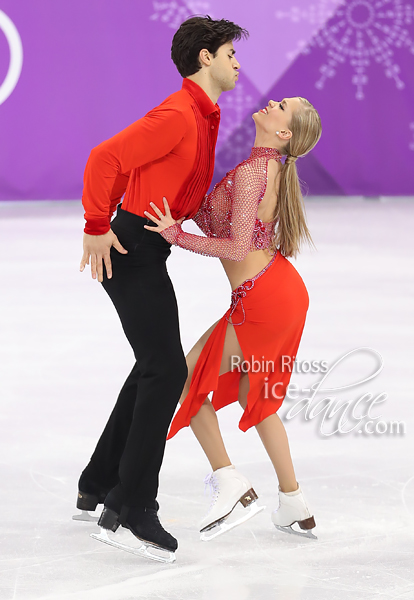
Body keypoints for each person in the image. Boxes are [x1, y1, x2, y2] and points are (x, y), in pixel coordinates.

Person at [75, 16, 248, 562]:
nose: (236, 62)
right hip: (128, 249)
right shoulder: (179, 115)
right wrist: (97, 225)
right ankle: (132, 506)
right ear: (205, 59)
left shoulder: (202, 115)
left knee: (155, 362)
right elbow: (106, 157)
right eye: (228, 53)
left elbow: (163, 179)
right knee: (166, 368)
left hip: (146, 245)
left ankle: (99, 481)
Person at [144, 96, 322, 541]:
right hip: (277, 292)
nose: (272, 102)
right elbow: (220, 222)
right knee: (249, 392)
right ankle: (294, 503)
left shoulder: (253, 174)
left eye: (283, 106)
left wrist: (175, 236)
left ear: (284, 133)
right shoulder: (269, 169)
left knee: (186, 378)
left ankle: (230, 483)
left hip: (262, 297)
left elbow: (236, 247)